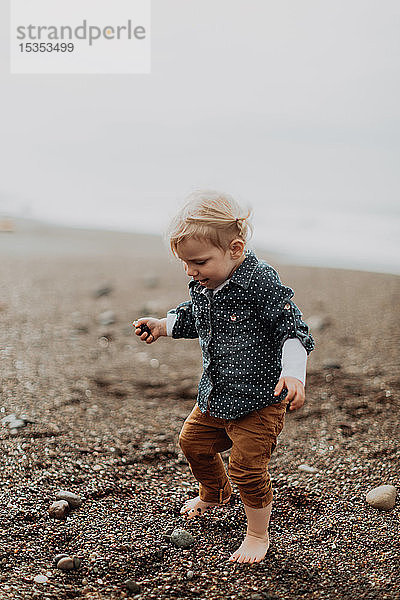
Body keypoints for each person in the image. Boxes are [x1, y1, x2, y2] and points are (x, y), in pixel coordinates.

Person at [134, 190, 314, 564]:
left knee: (247, 469)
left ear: (234, 249)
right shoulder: (207, 283)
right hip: (217, 394)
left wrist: (294, 374)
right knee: (193, 443)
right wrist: (162, 325)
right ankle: (214, 493)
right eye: (184, 263)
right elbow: (194, 317)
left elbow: (293, 328)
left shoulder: (259, 281)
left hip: (260, 400)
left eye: (198, 262)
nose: (190, 271)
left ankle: (256, 535)